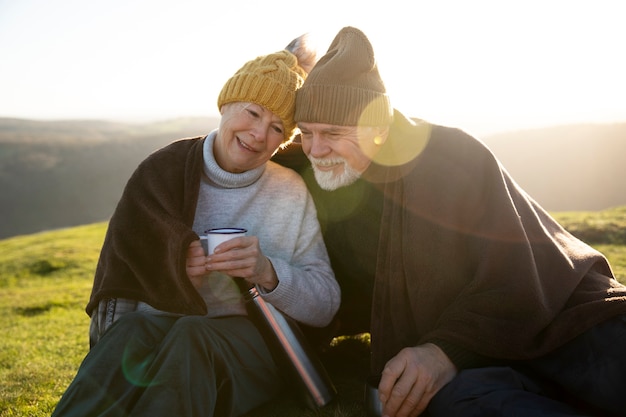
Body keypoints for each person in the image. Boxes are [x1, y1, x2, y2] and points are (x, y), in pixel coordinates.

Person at [271, 26, 626, 417]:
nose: (316, 149)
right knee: (463, 405)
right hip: (476, 365)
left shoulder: (448, 155)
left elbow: (517, 273)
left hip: (566, 324)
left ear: (378, 128)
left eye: (332, 134)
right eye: (306, 133)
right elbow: (235, 147)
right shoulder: (320, 172)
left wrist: (443, 352)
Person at [51, 34, 340, 417]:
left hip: (251, 346)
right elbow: (123, 274)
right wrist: (171, 267)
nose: (258, 134)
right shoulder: (162, 172)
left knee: (193, 336)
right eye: (253, 113)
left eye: (276, 128)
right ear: (225, 105)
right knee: (132, 332)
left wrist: (266, 272)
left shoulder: (289, 192)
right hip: (159, 327)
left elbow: (325, 305)